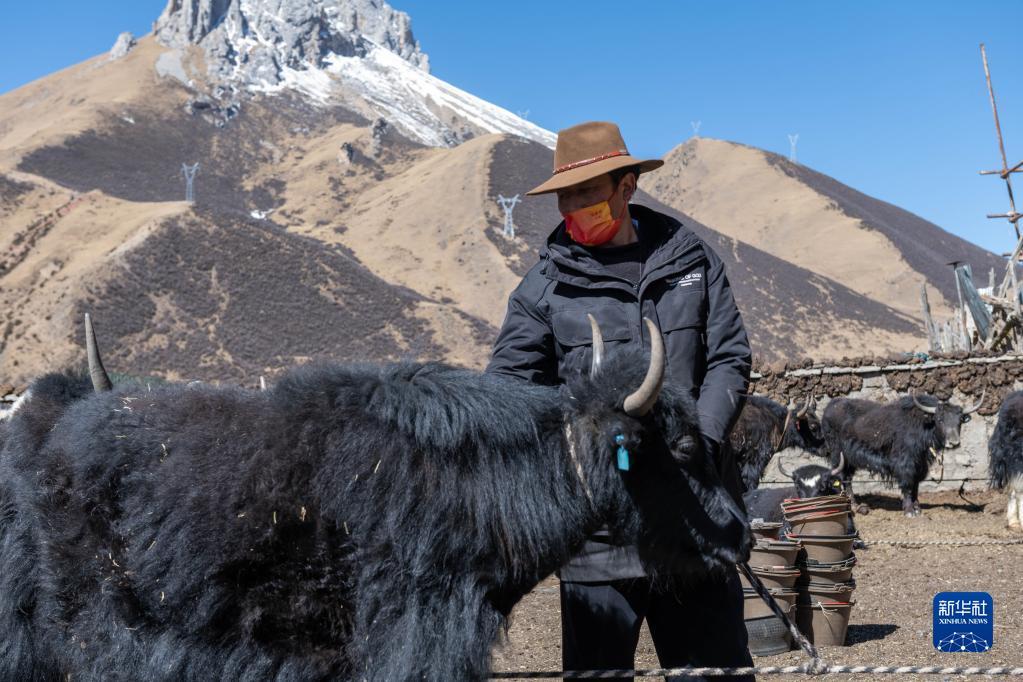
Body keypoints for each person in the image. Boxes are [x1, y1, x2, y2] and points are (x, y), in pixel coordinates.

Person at [486, 121, 754, 681]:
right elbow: (508, 389)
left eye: (589, 195)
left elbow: (728, 357)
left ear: (627, 186)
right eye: (567, 198)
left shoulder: (691, 262)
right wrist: (577, 449)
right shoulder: (545, 286)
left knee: (714, 673)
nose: (575, 209)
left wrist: (697, 442)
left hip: (695, 519)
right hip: (597, 537)